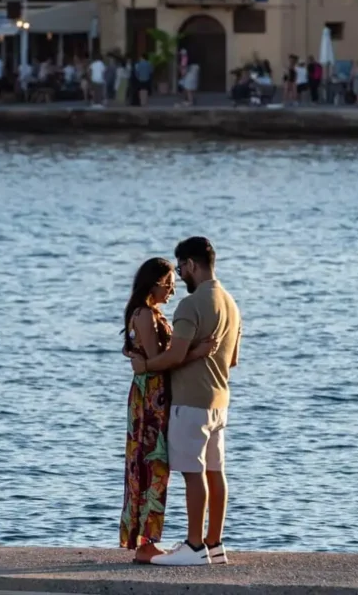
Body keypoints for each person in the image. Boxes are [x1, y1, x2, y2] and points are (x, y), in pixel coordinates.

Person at [131, 237, 242, 567]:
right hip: (220, 400)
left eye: (181, 268)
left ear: (192, 264)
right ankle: (214, 543)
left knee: (193, 474)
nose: (180, 276)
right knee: (215, 472)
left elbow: (175, 356)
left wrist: (146, 365)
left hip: (191, 402)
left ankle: (194, 546)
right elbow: (232, 359)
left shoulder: (191, 306)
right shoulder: (232, 304)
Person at [119, 258, 219, 563]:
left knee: (151, 465)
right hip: (152, 400)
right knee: (153, 466)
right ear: (153, 283)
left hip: (153, 398)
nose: (172, 291)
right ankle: (145, 544)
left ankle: (145, 540)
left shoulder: (148, 313)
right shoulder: (146, 315)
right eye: (168, 285)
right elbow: (159, 361)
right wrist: (195, 352)